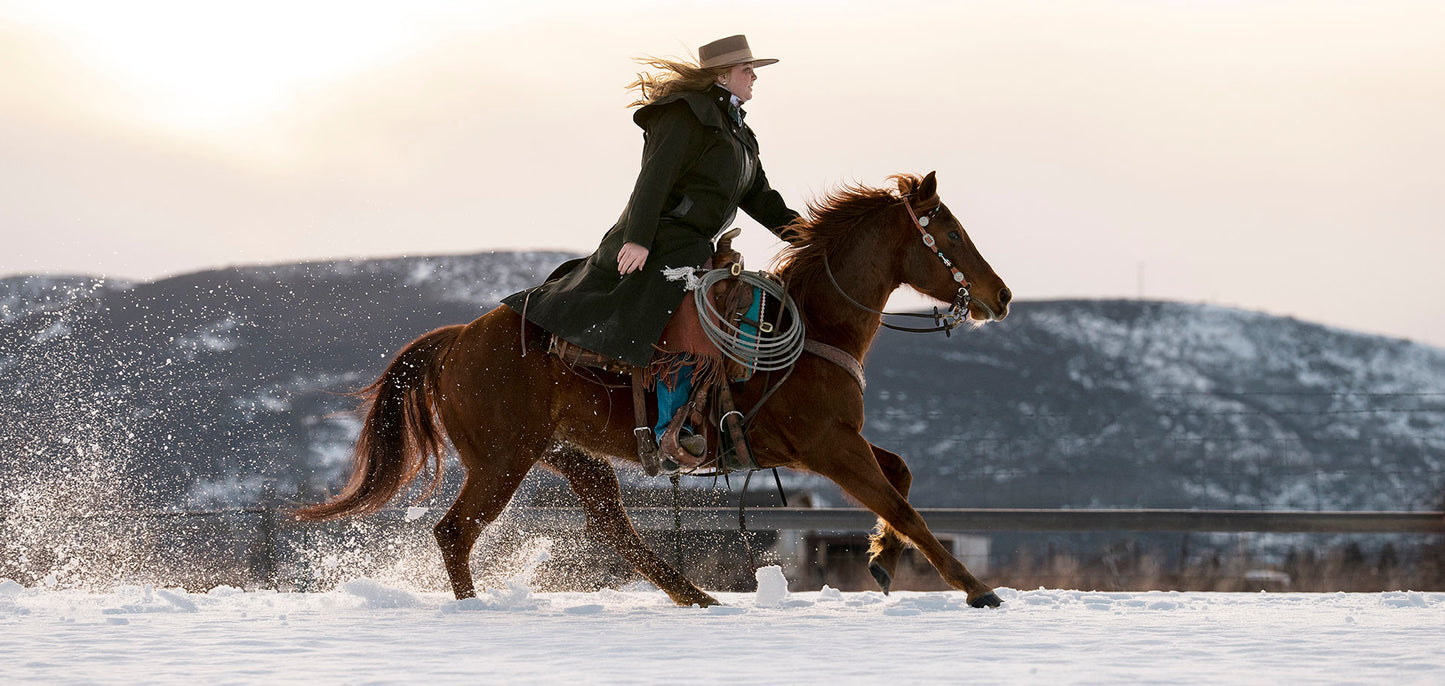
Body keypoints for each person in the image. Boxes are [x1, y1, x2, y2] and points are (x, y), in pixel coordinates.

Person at [501, 34, 801, 458]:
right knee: (686, 316)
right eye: (746, 70)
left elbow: (762, 198)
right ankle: (671, 431)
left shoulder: (740, 132)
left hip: (696, 245)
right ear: (722, 74)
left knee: (742, 302)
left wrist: (809, 239)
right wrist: (638, 239)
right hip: (662, 240)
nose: (754, 77)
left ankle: (729, 415)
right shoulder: (685, 115)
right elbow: (654, 177)